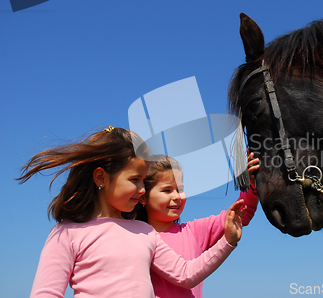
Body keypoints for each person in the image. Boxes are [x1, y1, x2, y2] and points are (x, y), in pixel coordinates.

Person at [17, 126, 246, 298]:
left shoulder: (145, 232)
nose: (142, 189)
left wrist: (227, 242)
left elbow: (186, 274)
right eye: (134, 179)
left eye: (144, 181)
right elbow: (46, 294)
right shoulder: (67, 233)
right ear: (101, 178)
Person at [135, 151, 259, 298]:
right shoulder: (133, 237)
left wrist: (251, 184)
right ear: (143, 197)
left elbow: (239, 215)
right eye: (167, 190)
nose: (177, 196)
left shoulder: (194, 232)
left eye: (180, 189)